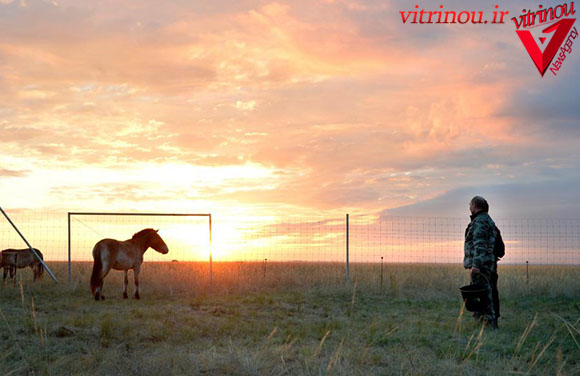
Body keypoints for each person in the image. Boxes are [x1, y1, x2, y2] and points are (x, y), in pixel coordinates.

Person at [463, 196, 498, 329]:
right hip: (488, 263)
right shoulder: (487, 220)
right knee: (484, 292)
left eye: (470, 205)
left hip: (481, 265)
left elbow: (480, 244)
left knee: (481, 294)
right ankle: (483, 322)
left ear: (475, 206)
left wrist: (476, 265)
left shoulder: (480, 222)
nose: (469, 208)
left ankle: (488, 323)